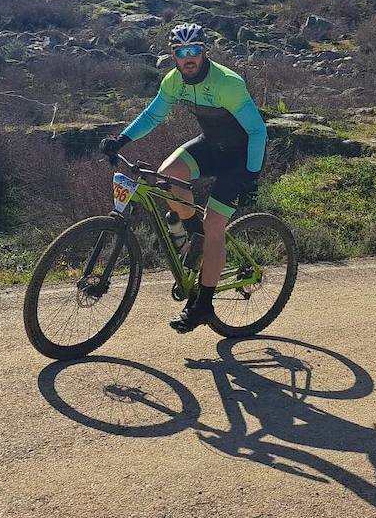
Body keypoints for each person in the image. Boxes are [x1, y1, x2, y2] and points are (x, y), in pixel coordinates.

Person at [99, 22, 268, 332]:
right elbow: (153, 115)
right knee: (168, 175)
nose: (188, 58)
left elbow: (258, 130)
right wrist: (120, 140)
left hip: (239, 159)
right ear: (173, 55)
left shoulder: (227, 83)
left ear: (204, 52)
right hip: (211, 146)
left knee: (215, 224)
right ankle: (194, 238)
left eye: (194, 51)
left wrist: (252, 178)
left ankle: (203, 304)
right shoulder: (174, 81)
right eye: (181, 53)